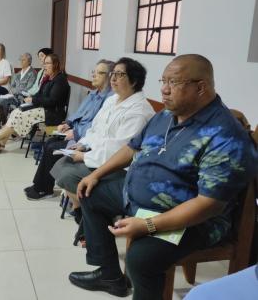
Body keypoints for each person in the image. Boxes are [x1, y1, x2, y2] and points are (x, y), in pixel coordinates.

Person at [68, 54, 258, 299]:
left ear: (201, 87)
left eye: (174, 83)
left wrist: (148, 224)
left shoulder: (224, 135)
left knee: (141, 258)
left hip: (192, 219)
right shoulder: (166, 115)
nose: (164, 90)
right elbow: (132, 147)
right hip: (139, 200)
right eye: (163, 81)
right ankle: (110, 275)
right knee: (90, 193)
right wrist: (98, 174)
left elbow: (208, 204)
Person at [50, 57, 155, 214]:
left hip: (119, 167)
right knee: (60, 165)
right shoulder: (112, 100)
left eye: (120, 74)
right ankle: (83, 210)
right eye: (113, 73)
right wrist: (83, 144)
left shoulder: (139, 111)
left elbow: (120, 151)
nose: (113, 78)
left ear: (134, 81)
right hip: (97, 154)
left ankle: (89, 212)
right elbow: (95, 129)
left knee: (67, 175)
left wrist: (85, 157)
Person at [23, 59, 114, 200]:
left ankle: (43, 188)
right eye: (93, 72)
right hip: (73, 131)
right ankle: (40, 185)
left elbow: (97, 127)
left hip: (79, 136)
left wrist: (75, 132)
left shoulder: (110, 99)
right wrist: (68, 123)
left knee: (51, 145)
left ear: (109, 76)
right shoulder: (93, 94)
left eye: (99, 73)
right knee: (49, 142)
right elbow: (79, 113)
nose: (94, 76)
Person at [0, 53, 69, 152]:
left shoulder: (60, 80)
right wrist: (31, 97)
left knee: (19, 116)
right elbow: (39, 94)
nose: (44, 66)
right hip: (43, 109)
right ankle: (1, 143)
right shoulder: (48, 79)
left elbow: (52, 101)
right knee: (16, 112)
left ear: (55, 64)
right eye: (44, 63)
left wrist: (33, 100)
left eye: (47, 63)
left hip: (52, 113)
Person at [0, 52, 37, 125]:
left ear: (29, 61)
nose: (21, 62)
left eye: (23, 60)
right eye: (20, 60)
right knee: (0, 101)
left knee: (5, 102)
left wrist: (15, 91)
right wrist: (14, 91)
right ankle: (4, 123)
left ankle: (8, 124)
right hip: (15, 96)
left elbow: (28, 89)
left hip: (24, 98)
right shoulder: (18, 73)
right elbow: (12, 86)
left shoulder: (33, 73)